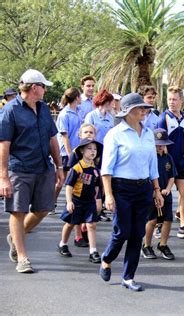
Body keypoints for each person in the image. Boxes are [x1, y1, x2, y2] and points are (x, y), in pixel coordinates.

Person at [0, 69, 64, 273]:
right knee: (18, 211)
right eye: (44, 86)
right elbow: (4, 144)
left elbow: (53, 138)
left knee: (43, 209)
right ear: (34, 87)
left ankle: (16, 236)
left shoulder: (44, 109)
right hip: (19, 169)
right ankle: (22, 257)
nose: (45, 90)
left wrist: (59, 166)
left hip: (43, 167)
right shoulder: (10, 110)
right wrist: (3, 177)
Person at [99, 93, 164, 292]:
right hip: (122, 188)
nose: (144, 111)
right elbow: (106, 168)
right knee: (122, 231)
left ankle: (128, 276)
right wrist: (108, 195)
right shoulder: (115, 134)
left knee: (138, 233)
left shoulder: (147, 133)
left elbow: (153, 164)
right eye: (140, 108)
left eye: (145, 108)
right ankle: (107, 258)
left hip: (144, 188)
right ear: (127, 111)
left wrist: (156, 190)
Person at [157, 86, 184, 240]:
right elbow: (159, 142)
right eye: (169, 99)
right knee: (163, 194)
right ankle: (158, 225)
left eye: (174, 99)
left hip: (181, 162)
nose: (171, 102)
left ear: (181, 100)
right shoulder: (163, 118)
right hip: (166, 162)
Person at [57, 139, 103, 263]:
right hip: (76, 200)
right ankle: (63, 243)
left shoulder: (96, 170)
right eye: (89, 148)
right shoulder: (77, 168)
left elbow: (97, 186)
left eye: (94, 149)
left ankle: (93, 251)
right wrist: (69, 201)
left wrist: (97, 199)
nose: (93, 151)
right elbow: (69, 186)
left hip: (89, 202)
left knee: (91, 225)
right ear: (82, 151)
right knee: (70, 223)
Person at [142, 128, 177, 260]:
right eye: (157, 144)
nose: (160, 147)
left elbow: (172, 176)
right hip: (153, 194)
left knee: (168, 220)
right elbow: (147, 176)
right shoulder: (150, 158)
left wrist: (168, 188)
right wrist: (154, 191)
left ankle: (163, 245)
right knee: (152, 220)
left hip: (165, 194)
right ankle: (146, 245)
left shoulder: (168, 158)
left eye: (162, 144)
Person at [51, 87, 82, 215]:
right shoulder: (65, 114)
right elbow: (65, 136)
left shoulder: (77, 111)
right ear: (76, 98)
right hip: (66, 153)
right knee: (60, 180)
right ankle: (50, 203)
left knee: (75, 180)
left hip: (77, 150)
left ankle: (72, 205)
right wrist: (70, 154)